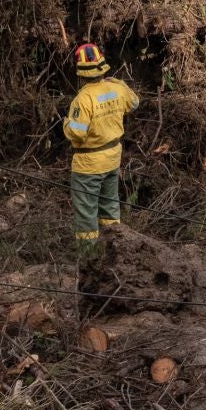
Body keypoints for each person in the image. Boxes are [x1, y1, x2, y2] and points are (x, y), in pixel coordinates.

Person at [64, 43, 139, 258]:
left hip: (88, 165)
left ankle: (89, 259)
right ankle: (115, 254)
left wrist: (66, 123)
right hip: (112, 158)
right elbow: (134, 103)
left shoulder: (83, 99)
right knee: (110, 208)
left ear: (80, 72)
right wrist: (118, 82)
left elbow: (77, 132)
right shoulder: (117, 88)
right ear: (103, 66)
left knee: (87, 216)